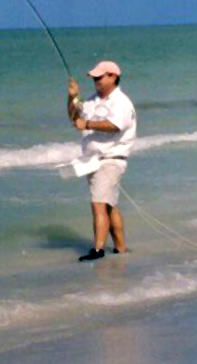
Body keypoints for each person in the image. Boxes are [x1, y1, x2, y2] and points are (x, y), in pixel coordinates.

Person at [67, 60, 137, 261]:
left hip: (111, 159)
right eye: (94, 78)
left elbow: (115, 125)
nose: (96, 81)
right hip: (93, 160)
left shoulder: (121, 102)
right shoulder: (91, 101)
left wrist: (88, 123)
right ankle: (121, 248)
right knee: (108, 205)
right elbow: (75, 119)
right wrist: (71, 98)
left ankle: (98, 250)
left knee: (98, 204)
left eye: (99, 77)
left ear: (113, 77)